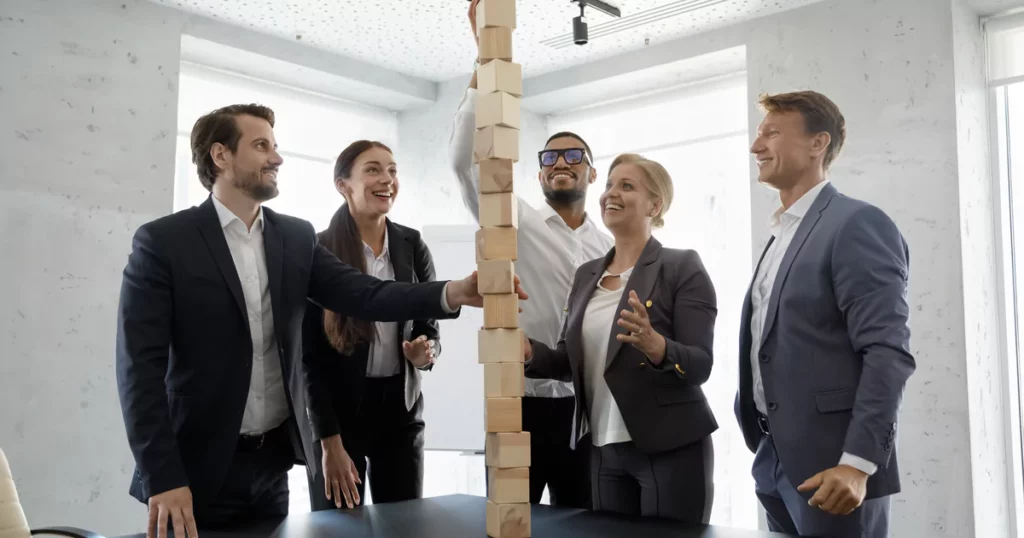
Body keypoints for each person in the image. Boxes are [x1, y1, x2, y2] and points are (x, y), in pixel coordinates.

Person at [115, 104, 525, 538]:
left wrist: (453, 292)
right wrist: (164, 476)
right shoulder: (164, 242)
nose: (277, 158)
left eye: (274, 146)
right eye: (261, 146)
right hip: (195, 469)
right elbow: (138, 372)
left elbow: (364, 293)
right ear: (221, 156)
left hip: (271, 464)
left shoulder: (294, 237)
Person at [449, 1, 614, 509]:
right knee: (510, 519)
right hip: (517, 404)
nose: (559, 163)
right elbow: (466, 163)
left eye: (573, 157)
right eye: (549, 157)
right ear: (539, 174)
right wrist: (484, 61)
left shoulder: (609, 246)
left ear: (591, 173)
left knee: (583, 523)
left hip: (584, 412)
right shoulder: (513, 218)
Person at [736, 90, 915, 537]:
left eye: (772, 134)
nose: (757, 146)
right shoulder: (781, 235)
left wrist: (857, 464)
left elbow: (886, 352)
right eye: (758, 135)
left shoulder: (856, 224)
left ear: (818, 143)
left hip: (835, 467)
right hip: (775, 457)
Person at [523, 153, 718, 522]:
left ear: (655, 205)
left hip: (670, 447)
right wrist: (529, 352)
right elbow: (570, 361)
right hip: (601, 449)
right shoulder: (586, 276)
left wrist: (656, 345)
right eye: (610, 184)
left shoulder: (681, 266)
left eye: (627, 186)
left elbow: (701, 364)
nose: (611, 193)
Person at [303, 140, 440, 511]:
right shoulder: (317, 250)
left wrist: (424, 353)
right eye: (373, 169)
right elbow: (308, 360)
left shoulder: (412, 245)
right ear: (343, 184)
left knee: (406, 526)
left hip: (401, 412)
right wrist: (328, 442)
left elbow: (429, 327)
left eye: (393, 170)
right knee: (338, 529)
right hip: (339, 418)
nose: (387, 179)